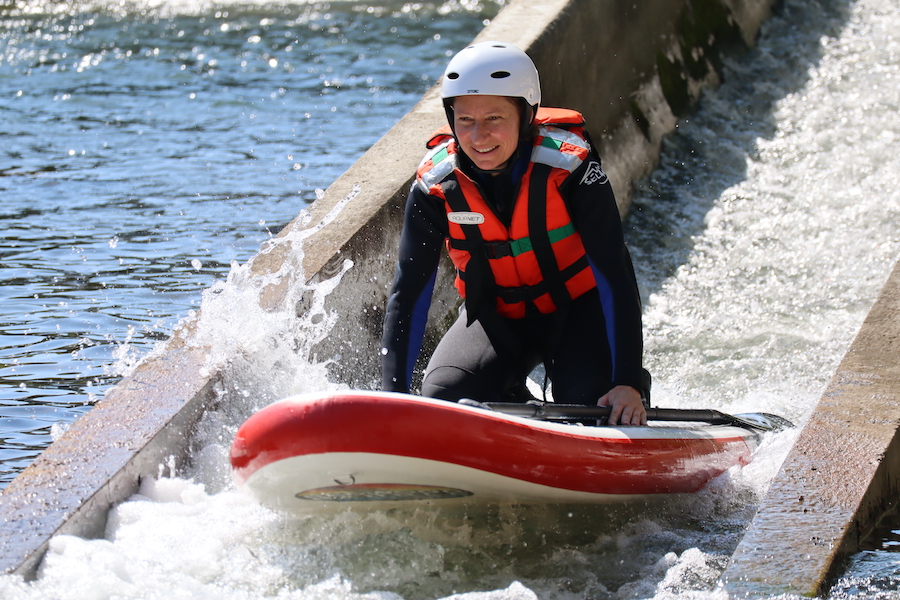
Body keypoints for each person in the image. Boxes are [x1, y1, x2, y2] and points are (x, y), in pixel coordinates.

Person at [380, 41, 648, 426]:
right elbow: (408, 294)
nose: (479, 136)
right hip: (498, 317)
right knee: (445, 395)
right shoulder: (434, 185)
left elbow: (615, 273)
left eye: (494, 118)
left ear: (525, 116)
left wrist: (627, 382)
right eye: (465, 120)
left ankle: (631, 390)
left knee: (590, 402)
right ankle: (510, 401)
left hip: (577, 310)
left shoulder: (570, 166)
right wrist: (393, 399)